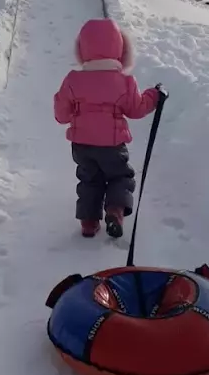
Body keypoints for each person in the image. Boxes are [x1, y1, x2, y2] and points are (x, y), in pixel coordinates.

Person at [53, 18, 159, 238]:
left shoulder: (72, 80)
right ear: (120, 49)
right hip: (112, 145)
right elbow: (137, 109)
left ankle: (88, 223)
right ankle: (114, 211)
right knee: (120, 177)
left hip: (82, 146)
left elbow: (61, 115)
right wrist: (154, 96)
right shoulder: (124, 82)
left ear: (82, 50)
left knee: (89, 179)